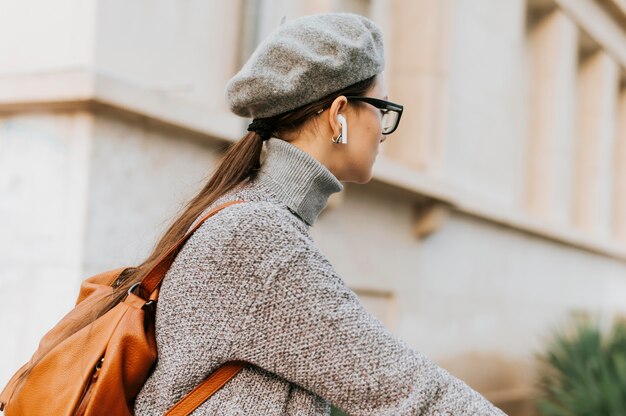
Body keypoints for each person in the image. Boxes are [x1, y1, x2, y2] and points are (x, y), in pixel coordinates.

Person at [132, 12, 506, 415]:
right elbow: (403, 388)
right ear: (338, 114)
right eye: (381, 107)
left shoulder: (253, 216)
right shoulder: (256, 236)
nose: (383, 128)